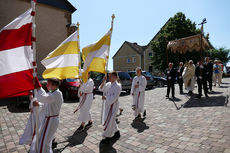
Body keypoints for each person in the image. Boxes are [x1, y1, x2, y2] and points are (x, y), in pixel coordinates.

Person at [29, 78, 63, 153]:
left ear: (54, 85)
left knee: (44, 142)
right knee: (43, 140)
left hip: (51, 120)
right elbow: (45, 103)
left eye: (48, 84)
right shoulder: (52, 93)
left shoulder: (57, 94)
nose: (46, 85)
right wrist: (37, 105)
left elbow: (44, 98)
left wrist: (38, 86)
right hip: (48, 120)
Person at [99, 71, 121, 144]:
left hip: (113, 105)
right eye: (108, 76)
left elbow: (115, 97)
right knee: (110, 120)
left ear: (115, 77)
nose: (109, 77)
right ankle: (117, 132)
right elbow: (101, 89)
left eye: (110, 76)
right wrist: (103, 81)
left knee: (109, 120)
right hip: (108, 105)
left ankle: (107, 137)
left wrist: (106, 97)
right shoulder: (108, 84)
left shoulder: (118, 86)